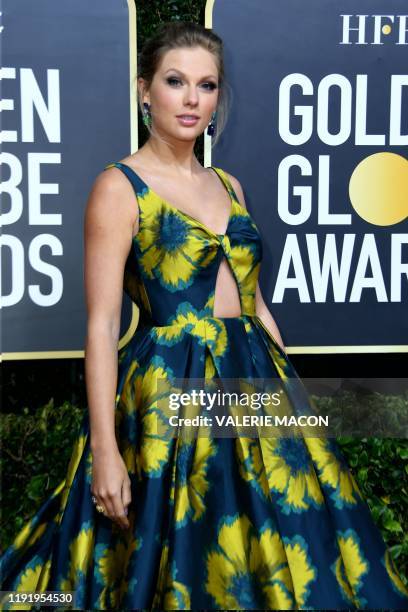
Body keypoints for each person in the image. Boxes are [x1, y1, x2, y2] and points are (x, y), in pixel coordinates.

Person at [1, 20, 407, 612]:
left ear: (218, 97)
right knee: (183, 553)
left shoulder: (230, 185)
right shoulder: (118, 188)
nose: (192, 98)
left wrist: (291, 395)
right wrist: (108, 451)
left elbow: (255, 302)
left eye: (207, 85)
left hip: (254, 385)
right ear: (146, 91)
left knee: (295, 549)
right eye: (175, 81)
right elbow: (100, 326)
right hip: (170, 393)